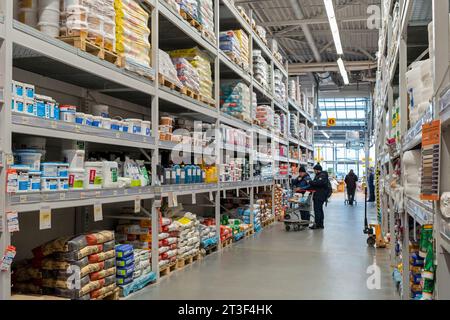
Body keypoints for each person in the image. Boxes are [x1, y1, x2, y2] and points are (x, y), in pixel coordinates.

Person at [308, 164, 329, 229]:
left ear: (317, 170)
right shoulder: (319, 175)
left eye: (314, 170)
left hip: (320, 196)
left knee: (317, 210)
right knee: (319, 210)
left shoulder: (322, 176)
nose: (314, 171)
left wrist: (310, 182)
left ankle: (317, 224)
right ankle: (320, 224)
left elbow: (319, 183)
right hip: (319, 195)